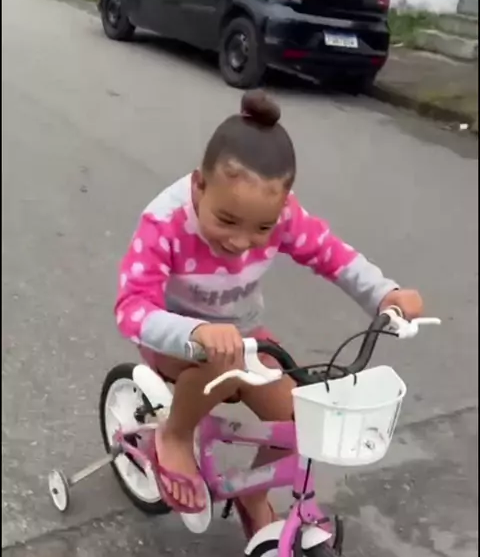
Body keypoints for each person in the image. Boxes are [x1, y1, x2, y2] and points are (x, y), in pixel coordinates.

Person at [115, 90, 423, 530]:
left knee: (301, 416)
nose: (241, 242)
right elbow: (132, 307)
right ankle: (176, 435)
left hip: (245, 337)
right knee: (221, 364)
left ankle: (253, 489)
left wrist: (385, 294)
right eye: (226, 220)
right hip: (175, 340)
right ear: (199, 185)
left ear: (283, 204)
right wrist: (195, 332)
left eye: (262, 227)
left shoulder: (283, 215)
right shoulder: (164, 222)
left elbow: (332, 255)